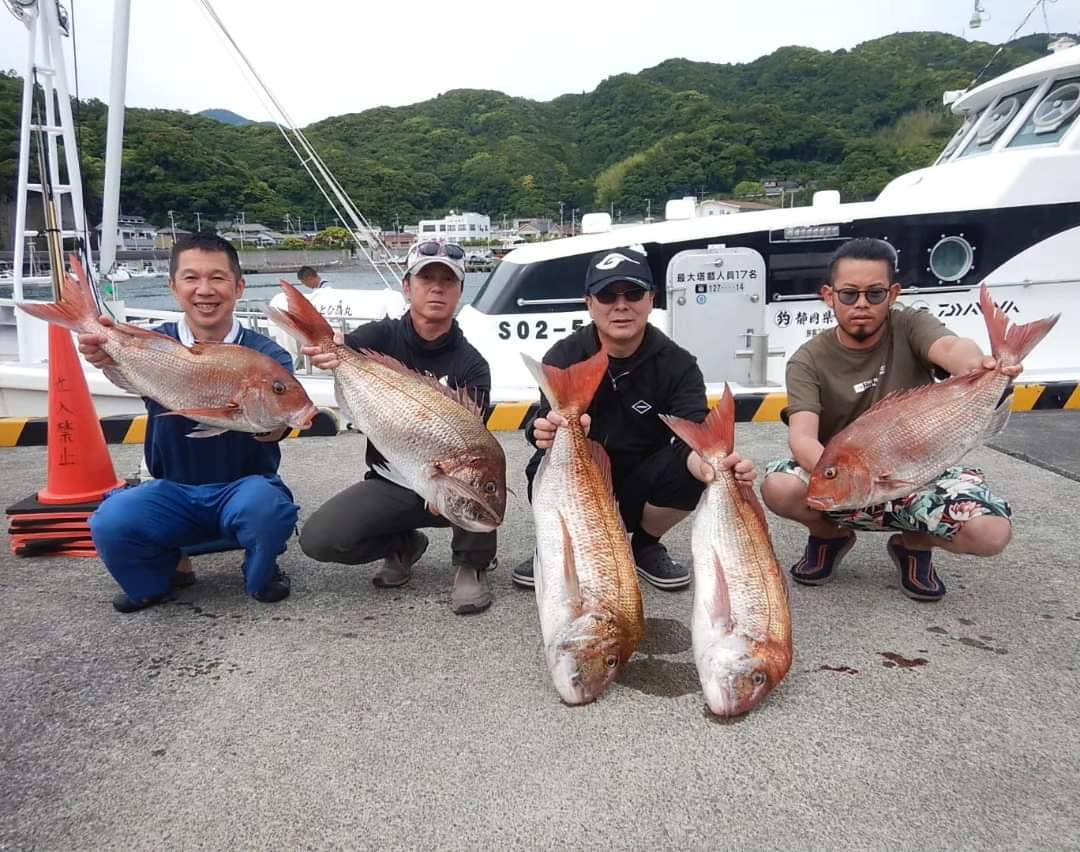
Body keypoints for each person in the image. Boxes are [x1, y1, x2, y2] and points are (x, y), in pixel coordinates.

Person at [760, 237, 1016, 602]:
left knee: (991, 533)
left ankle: (914, 543)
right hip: (852, 471)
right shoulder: (807, 360)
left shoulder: (911, 325)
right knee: (779, 487)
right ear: (829, 296)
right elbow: (802, 438)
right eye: (849, 294)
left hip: (925, 468)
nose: (861, 304)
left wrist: (981, 367)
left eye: (874, 294)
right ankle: (830, 537)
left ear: (893, 294)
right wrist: (848, 480)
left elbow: (950, 349)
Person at [512, 246, 756, 592]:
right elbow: (540, 419)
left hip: (641, 479)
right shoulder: (564, 355)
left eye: (634, 293)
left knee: (695, 471)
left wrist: (709, 466)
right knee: (544, 462)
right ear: (589, 303)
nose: (621, 304)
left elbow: (694, 433)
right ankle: (561, 545)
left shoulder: (678, 364)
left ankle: (643, 544)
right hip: (585, 475)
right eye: (607, 295)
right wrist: (541, 428)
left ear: (652, 300)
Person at [81, 234, 298, 612]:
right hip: (172, 490)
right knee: (111, 520)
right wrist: (106, 357)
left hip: (243, 487)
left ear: (239, 286)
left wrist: (274, 423)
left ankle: (260, 571)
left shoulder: (267, 356)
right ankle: (160, 578)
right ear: (173, 286)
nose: (204, 290)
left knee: (268, 508)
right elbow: (125, 378)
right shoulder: (152, 343)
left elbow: (276, 425)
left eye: (217, 278)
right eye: (191, 278)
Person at [298, 240, 496, 615]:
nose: (436, 288)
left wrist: (446, 482)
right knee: (320, 539)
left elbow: (474, 447)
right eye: (426, 278)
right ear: (407, 287)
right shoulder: (379, 338)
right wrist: (330, 351)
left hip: (447, 473)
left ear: (459, 292)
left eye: (447, 281)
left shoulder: (472, 365)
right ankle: (402, 545)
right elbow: (343, 350)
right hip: (392, 479)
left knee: (479, 480)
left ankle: (472, 565)